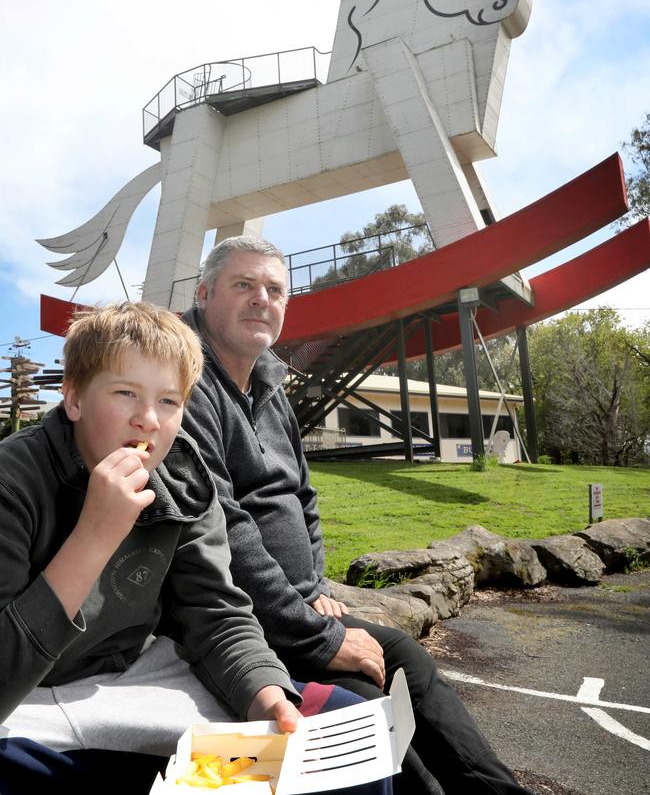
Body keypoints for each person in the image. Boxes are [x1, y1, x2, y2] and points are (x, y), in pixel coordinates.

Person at [182, 236, 537, 795]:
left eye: (274, 290)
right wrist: (317, 636)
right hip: (242, 618)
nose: (261, 299)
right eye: (243, 285)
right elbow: (226, 529)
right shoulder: (182, 383)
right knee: (369, 709)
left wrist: (315, 581)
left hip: (303, 605)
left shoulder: (271, 388)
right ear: (203, 294)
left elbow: (303, 496)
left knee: (407, 662)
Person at [0, 302, 391, 795]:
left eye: (169, 401)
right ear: (74, 398)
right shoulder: (13, 483)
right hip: (28, 707)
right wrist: (95, 536)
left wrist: (264, 694)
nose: (148, 421)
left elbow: (217, 611)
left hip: (141, 683)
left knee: (344, 731)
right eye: (126, 393)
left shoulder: (183, 478)